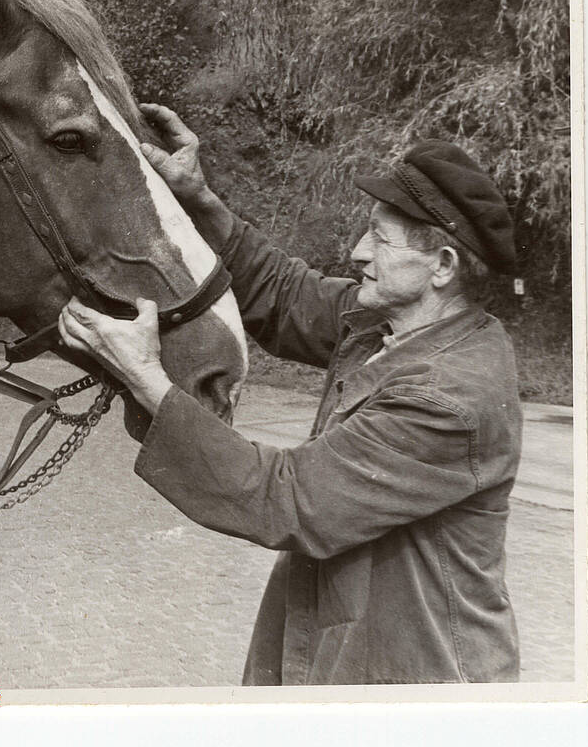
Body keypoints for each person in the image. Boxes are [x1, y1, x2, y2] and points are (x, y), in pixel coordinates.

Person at [59, 103, 523, 685]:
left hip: (416, 686)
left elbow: (288, 500)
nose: (358, 252)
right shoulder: (390, 325)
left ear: (443, 265)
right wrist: (198, 199)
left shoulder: (449, 398)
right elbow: (282, 292)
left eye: (380, 238)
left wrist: (145, 374)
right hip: (351, 654)